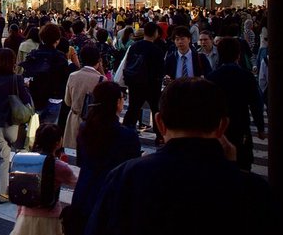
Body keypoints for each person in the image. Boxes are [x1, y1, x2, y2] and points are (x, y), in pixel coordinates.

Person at [84, 79, 273, 235]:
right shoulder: (254, 191)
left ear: (160, 123)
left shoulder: (127, 177)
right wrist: (229, 168)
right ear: (222, 126)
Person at [64, 82, 140, 235]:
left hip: (85, 192)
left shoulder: (86, 128)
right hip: (113, 197)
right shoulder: (128, 135)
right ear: (117, 102)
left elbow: (81, 161)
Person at [205, 37, 266, 171]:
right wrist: (260, 127)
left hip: (219, 126)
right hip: (241, 123)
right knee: (243, 163)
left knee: (220, 164)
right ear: (238, 55)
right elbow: (256, 103)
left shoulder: (212, 77)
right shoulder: (246, 76)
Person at [9, 123, 77, 235]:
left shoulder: (28, 161)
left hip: (26, 217)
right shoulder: (59, 166)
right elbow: (78, 184)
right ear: (58, 143)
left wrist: (19, 214)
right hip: (50, 218)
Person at [0, 48, 32, 204]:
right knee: (22, 153)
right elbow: (25, 100)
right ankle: (23, 189)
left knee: (2, 159)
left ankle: (2, 194)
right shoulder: (17, 79)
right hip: (13, 123)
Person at [120, 22, 166, 145]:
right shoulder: (157, 50)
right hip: (152, 85)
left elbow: (128, 64)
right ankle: (160, 135)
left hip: (135, 83)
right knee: (156, 109)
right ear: (155, 33)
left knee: (133, 108)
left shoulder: (134, 47)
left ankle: (125, 133)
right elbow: (161, 70)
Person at [21, 23, 70, 126]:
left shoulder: (33, 55)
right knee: (49, 130)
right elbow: (64, 80)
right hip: (55, 98)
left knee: (34, 129)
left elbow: (25, 76)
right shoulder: (60, 57)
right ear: (57, 40)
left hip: (36, 98)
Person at [62, 46, 107, 150]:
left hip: (74, 119)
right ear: (98, 60)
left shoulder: (73, 76)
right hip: (93, 123)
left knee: (72, 154)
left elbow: (67, 102)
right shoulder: (102, 79)